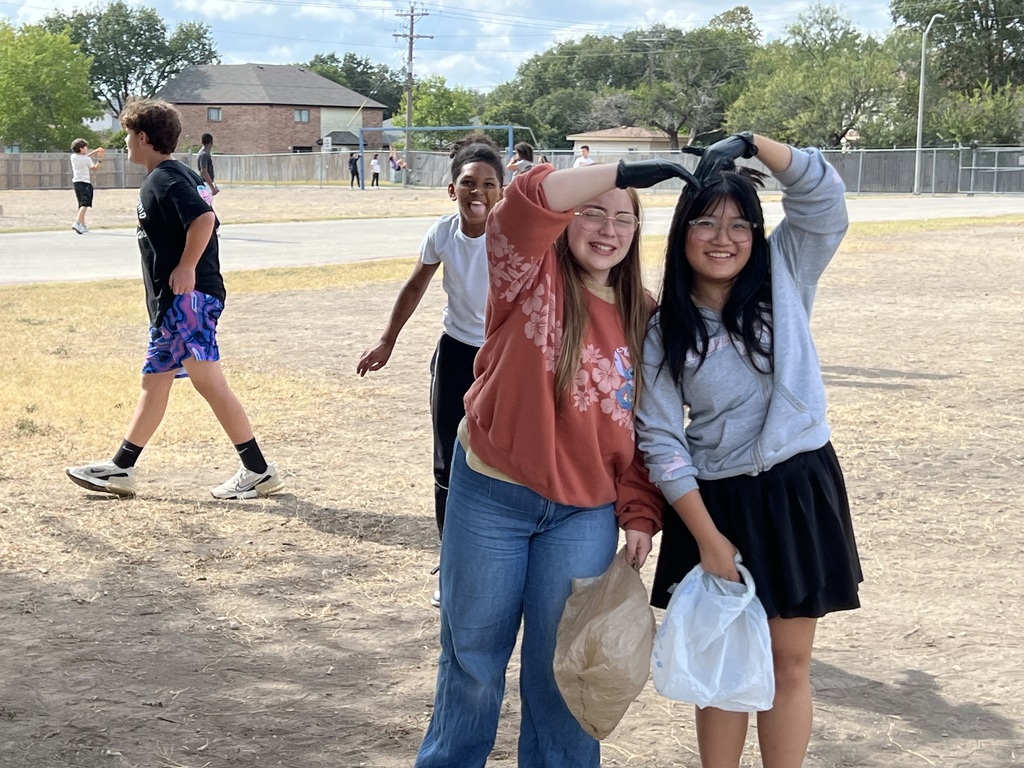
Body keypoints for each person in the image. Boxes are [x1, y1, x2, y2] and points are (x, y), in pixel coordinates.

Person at [415, 157, 696, 767]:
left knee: (563, 671)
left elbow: (652, 426)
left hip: (583, 514)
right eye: (592, 211)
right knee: (473, 660)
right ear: (567, 219)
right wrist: (619, 171)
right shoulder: (527, 274)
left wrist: (643, 513)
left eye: (623, 218)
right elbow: (521, 202)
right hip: (490, 497)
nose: (607, 228)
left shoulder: (647, 318)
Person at [635, 133, 862, 768]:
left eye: (739, 224)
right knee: (727, 667)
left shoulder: (785, 273)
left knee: (788, 665)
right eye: (705, 222)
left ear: (757, 234)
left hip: (797, 490)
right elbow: (660, 438)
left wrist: (753, 145)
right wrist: (707, 538)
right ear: (682, 234)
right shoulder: (662, 330)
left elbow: (824, 197)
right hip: (715, 502)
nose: (722, 238)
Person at [65, 98, 283, 501]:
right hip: (178, 302)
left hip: (188, 299)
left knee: (209, 383)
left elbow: (205, 219)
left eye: (129, 135)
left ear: (143, 137)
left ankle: (258, 470)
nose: (126, 143)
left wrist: (186, 267)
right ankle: (122, 467)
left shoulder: (165, 179)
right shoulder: (173, 175)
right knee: (156, 382)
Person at [356, 134, 505, 606]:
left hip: (506, 359)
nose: (477, 191)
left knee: (505, 455)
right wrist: (386, 340)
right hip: (458, 352)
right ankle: (452, 557)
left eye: (488, 184)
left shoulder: (515, 236)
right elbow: (415, 285)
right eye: (467, 183)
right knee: (448, 457)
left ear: (502, 191)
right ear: (451, 189)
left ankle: (501, 554)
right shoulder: (442, 232)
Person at [69, 138, 103, 234]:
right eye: (85, 147)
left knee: (81, 204)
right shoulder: (86, 159)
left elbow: (84, 157)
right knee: (85, 203)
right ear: (81, 148)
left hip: (76, 183)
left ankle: (82, 225)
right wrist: (100, 159)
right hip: (85, 183)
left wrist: (95, 152)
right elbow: (95, 169)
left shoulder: (73, 157)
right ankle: (77, 222)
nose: (87, 148)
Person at [196, 132, 219, 199]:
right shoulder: (204, 154)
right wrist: (212, 188)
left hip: (206, 183)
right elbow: (204, 171)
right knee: (207, 205)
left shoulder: (201, 152)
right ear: (211, 143)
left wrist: (213, 183)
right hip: (205, 184)